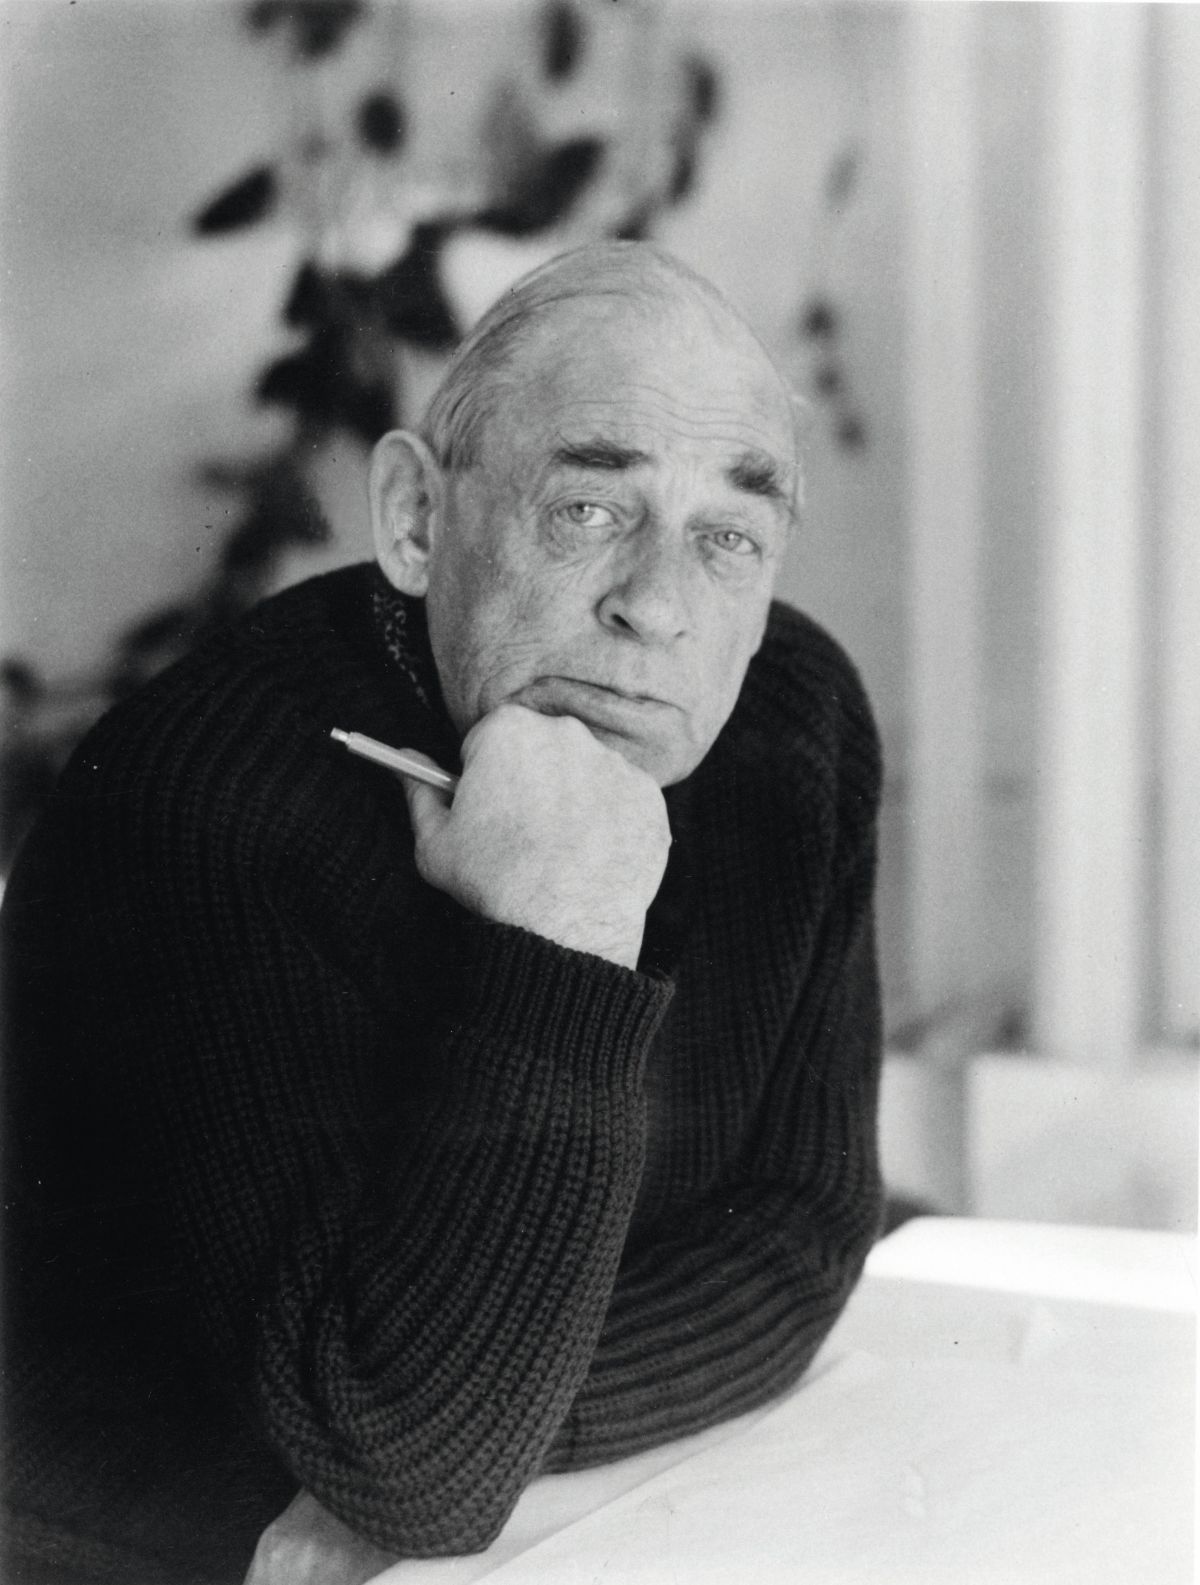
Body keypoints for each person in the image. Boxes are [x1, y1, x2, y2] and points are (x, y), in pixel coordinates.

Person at [1, 241, 883, 1584]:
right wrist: (562, 934)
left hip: (482, 1509)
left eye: (728, 538)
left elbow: (802, 1234)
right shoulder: (206, 795)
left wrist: (492, 1420)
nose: (658, 608)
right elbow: (410, 1458)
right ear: (417, 519)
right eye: (589, 509)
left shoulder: (794, 722)